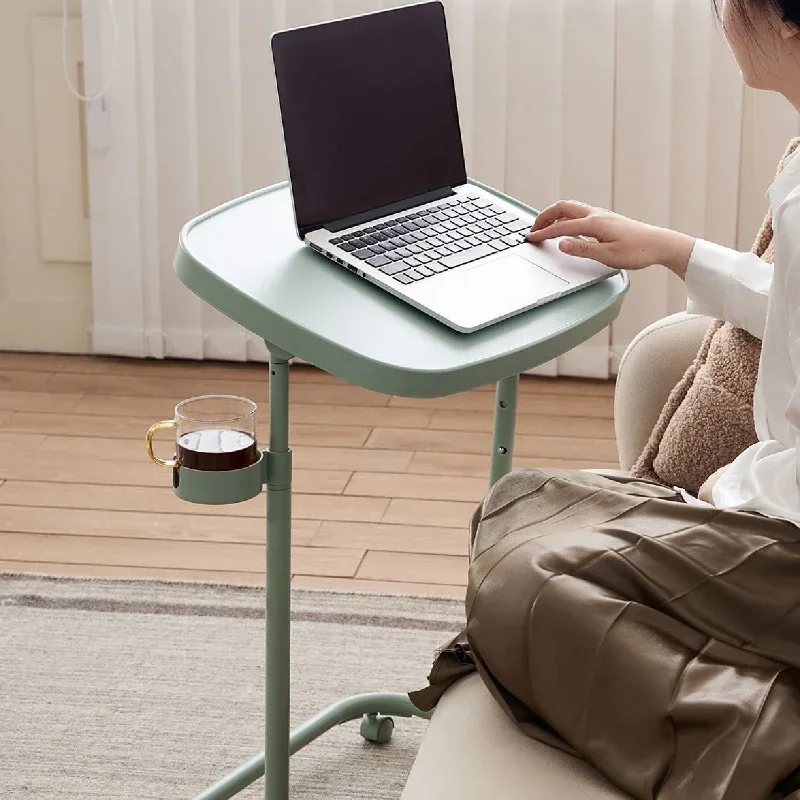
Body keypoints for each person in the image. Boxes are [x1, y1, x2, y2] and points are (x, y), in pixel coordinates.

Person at [411, 2, 800, 798]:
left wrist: (730, 497)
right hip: (769, 513)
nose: (719, 15)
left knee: (524, 580)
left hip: (784, 532)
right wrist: (670, 248)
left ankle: (753, 741)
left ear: (789, 24)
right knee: (518, 505)